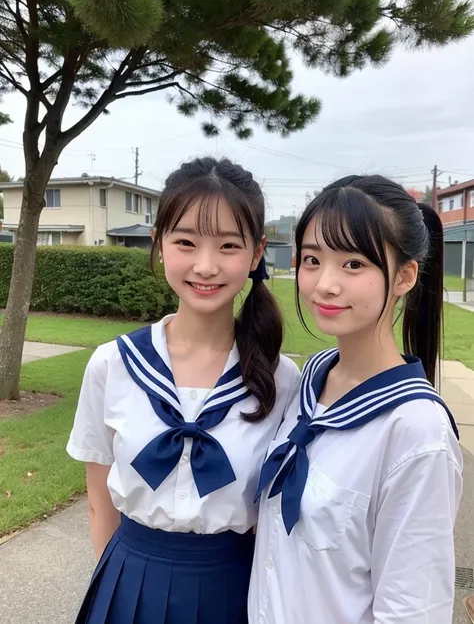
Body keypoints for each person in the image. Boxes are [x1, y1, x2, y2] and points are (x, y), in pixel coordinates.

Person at [66, 156, 300, 624]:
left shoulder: (283, 380)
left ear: (256, 255)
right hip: (128, 580)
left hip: (234, 587)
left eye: (229, 245)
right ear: (159, 244)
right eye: (186, 242)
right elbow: (98, 498)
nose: (206, 265)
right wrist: (116, 587)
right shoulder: (112, 365)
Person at [250, 174, 463, 624]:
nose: (325, 284)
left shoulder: (416, 432)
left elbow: (413, 612)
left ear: (405, 276)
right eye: (312, 259)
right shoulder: (310, 380)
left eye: (353, 264)